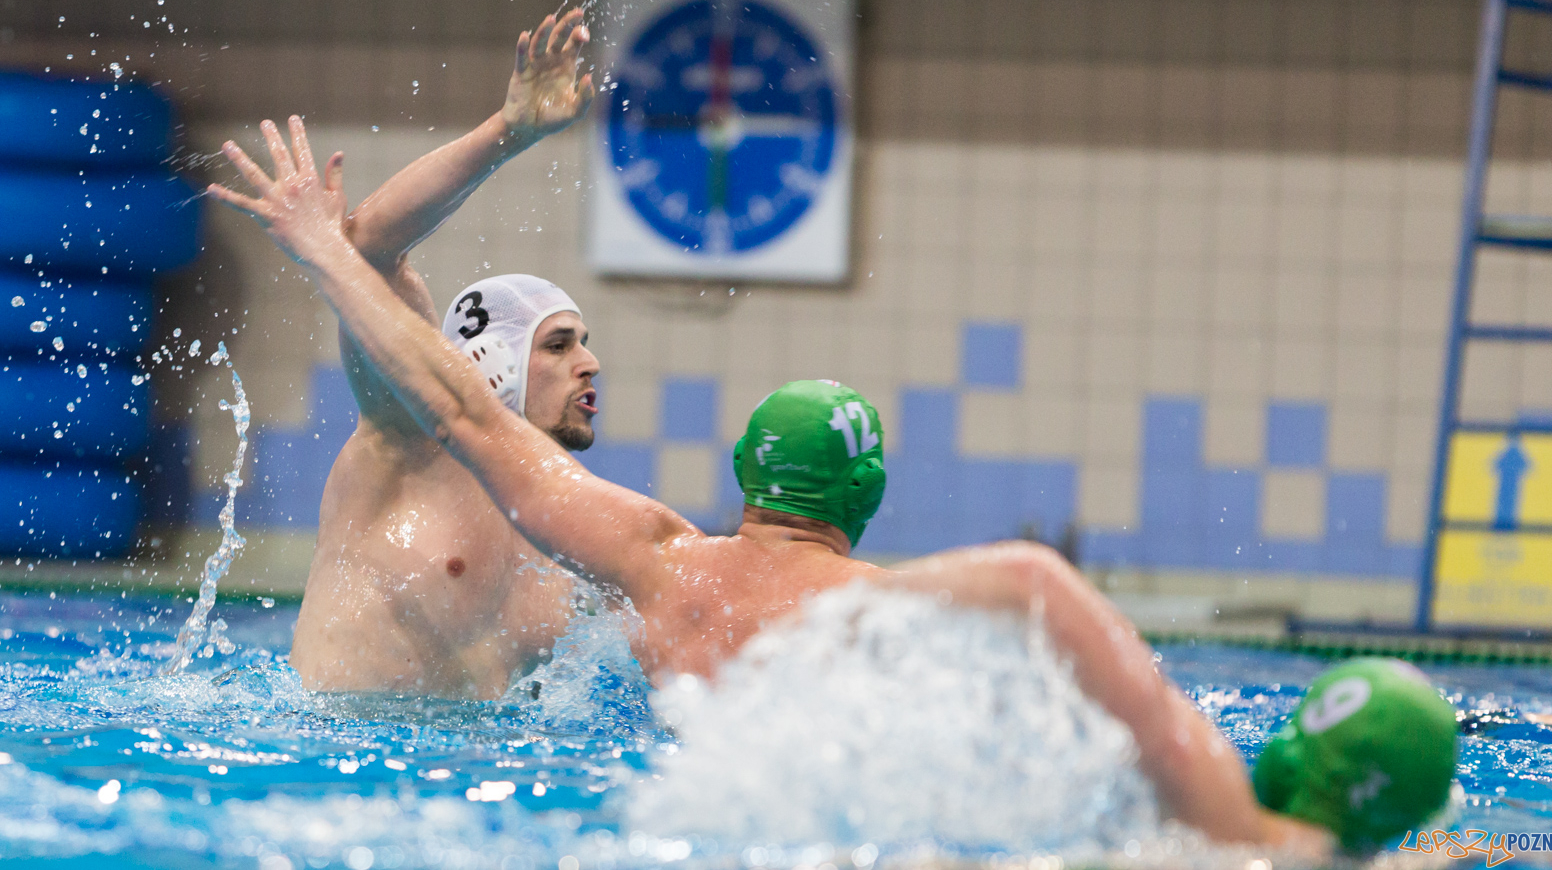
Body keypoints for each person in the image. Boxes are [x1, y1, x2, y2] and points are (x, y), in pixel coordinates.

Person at [208, 130, 1454, 855]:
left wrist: (314, 246)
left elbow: (466, 404)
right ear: (865, 501)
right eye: (562, 344)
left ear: (751, 472)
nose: (591, 365)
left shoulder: (645, 556)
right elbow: (440, 383)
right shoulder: (880, 604)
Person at [234, 9, 598, 698]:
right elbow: (368, 246)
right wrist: (508, 133)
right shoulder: (408, 443)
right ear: (492, 363)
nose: (589, 362)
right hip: (325, 762)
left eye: (584, 341)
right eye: (558, 343)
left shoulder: (562, 516)